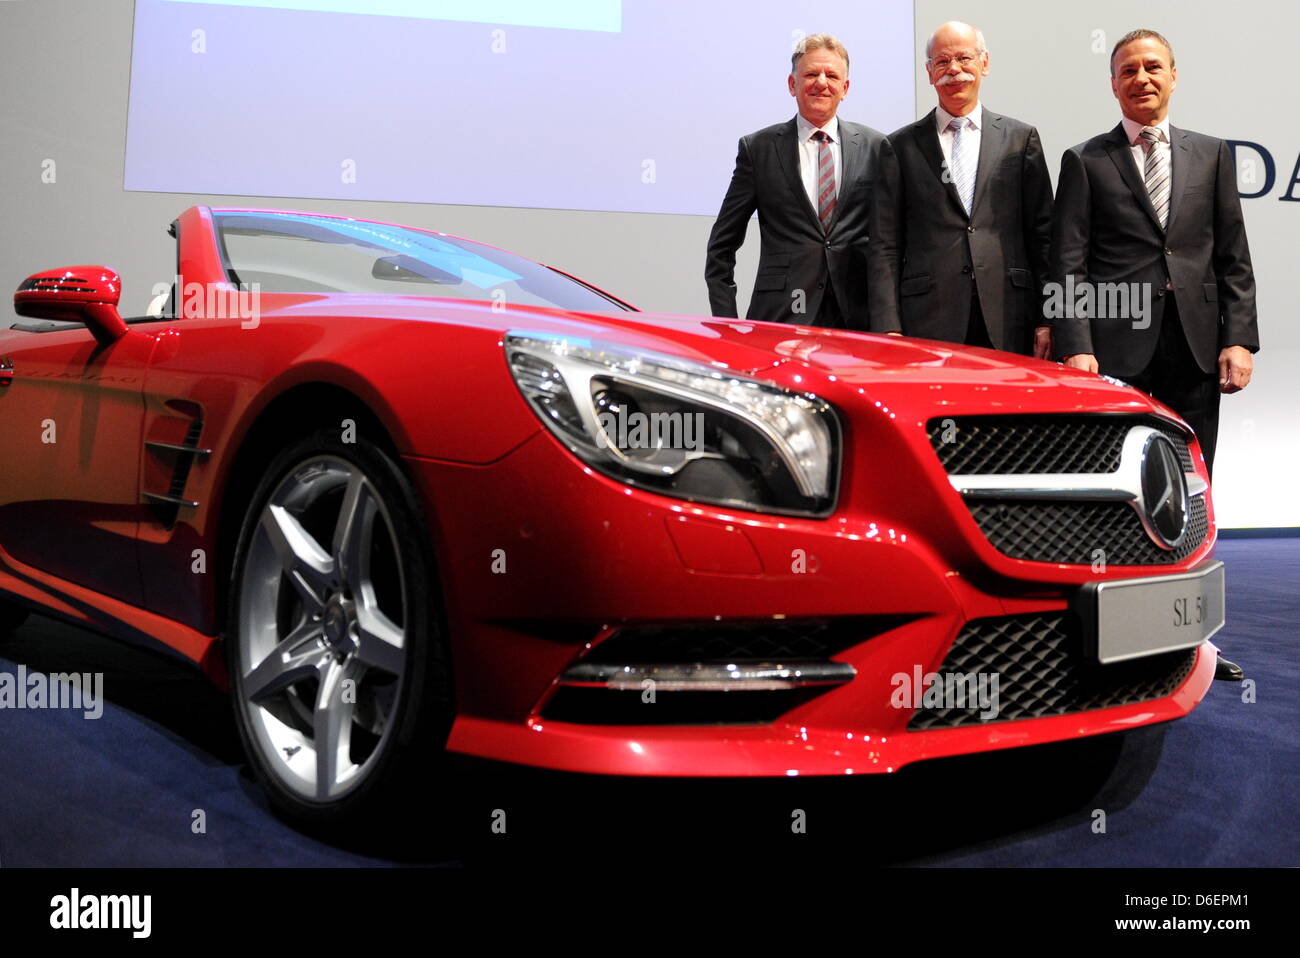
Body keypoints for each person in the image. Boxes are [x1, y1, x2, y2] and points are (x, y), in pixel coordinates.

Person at [1051, 28, 1258, 681]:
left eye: (1152, 67)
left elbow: (1233, 258)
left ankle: (1196, 643)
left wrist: (1238, 337)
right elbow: (1068, 264)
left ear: (1173, 75)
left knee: (1194, 496)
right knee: (1123, 500)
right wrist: (1076, 347)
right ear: (1112, 84)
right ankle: (1126, 642)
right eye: (1128, 70)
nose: (1141, 78)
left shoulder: (1213, 156)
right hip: (1117, 359)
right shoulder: (1085, 161)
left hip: (1197, 351)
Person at [867, 21, 1053, 357]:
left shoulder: (1020, 139)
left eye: (964, 58)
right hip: (926, 320)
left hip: (1010, 314)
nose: (954, 69)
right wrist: (887, 327)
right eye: (942, 61)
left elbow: (1043, 235)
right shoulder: (899, 146)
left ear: (984, 63)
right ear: (929, 72)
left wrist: (1048, 318)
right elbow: (884, 244)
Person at [705, 34, 888, 329]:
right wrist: (726, 324)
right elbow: (721, 247)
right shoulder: (758, 149)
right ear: (792, 84)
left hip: (857, 319)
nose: (821, 82)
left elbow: (890, 243)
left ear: (845, 88)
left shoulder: (877, 147)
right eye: (811, 74)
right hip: (780, 316)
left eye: (832, 75)